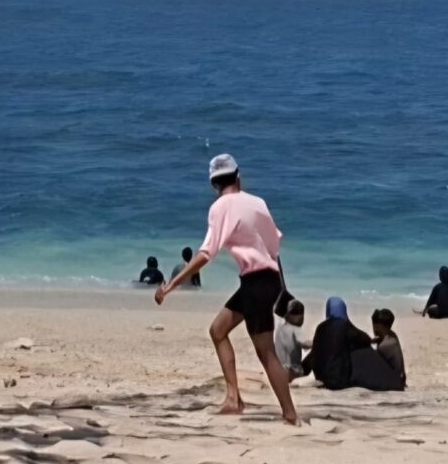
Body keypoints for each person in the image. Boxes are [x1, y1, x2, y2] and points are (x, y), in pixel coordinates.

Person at [154, 154, 298, 423]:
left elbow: (206, 253)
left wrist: (171, 284)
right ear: (238, 176)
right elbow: (274, 245)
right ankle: (234, 399)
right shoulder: (258, 203)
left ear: (213, 184)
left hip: (255, 282)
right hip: (267, 279)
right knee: (218, 330)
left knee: (266, 353)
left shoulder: (219, 207)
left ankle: (290, 415)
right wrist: (279, 285)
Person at [307, 295, 372, 390]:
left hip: (321, 377)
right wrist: (349, 322)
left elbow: (314, 352)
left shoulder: (320, 327)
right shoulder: (345, 327)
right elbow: (366, 340)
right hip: (339, 380)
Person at [355, 308, 409, 392]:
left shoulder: (383, 346)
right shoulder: (392, 335)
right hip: (401, 378)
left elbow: (376, 364)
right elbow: (380, 340)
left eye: (374, 326)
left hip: (393, 381)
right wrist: (372, 341)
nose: (373, 329)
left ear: (378, 326)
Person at [272, 296, 309, 376]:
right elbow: (305, 345)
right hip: (292, 372)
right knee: (314, 354)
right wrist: (319, 341)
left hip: (279, 369)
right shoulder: (295, 329)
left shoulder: (280, 327)